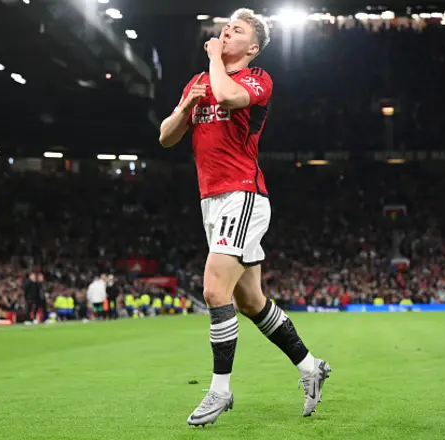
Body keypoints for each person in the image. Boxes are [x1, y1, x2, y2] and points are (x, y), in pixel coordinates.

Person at [159, 8, 331, 427]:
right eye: (224, 28)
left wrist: (215, 61)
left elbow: (232, 98)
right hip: (210, 200)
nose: (225, 32)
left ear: (252, 47)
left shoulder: (257, 80)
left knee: (215, 290)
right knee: (250, 301)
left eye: (235, 30)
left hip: (243, 194)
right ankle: (311, 366)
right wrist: (186, 108)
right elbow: (165, 136)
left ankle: (220, 390)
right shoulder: (199, 83)